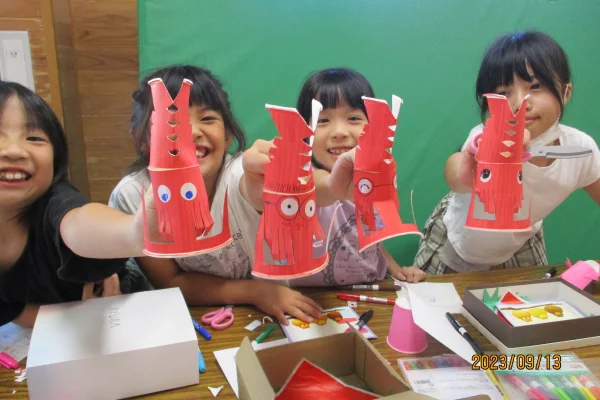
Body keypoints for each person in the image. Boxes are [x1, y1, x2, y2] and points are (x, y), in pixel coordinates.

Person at [414, 31, 600, 274]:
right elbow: (455, 174)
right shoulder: (485, 137)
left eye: (536, 86)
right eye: (503, 93)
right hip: (460, 239)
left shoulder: (580, 149)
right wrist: (472, 165)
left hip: (521, 240)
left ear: (566, 91)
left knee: (529, 296)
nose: (520, 103)